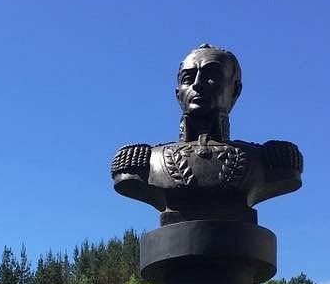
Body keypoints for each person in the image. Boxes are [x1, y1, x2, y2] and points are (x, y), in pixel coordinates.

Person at [111, 43, 302, 219]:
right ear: (178, 93)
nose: (197, 84)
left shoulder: (270, 160)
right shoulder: (143, 162)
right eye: (188, 78)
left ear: (235, 90)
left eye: (212, 76)